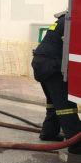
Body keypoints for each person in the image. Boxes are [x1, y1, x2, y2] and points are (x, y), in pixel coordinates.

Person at [31, 11, 81, 154]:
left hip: (40, 62)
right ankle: (76, 144)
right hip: (52, 65)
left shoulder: (64, 19)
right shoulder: (73, 21)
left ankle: (49, 132)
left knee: (53, 102)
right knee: (66, 106)